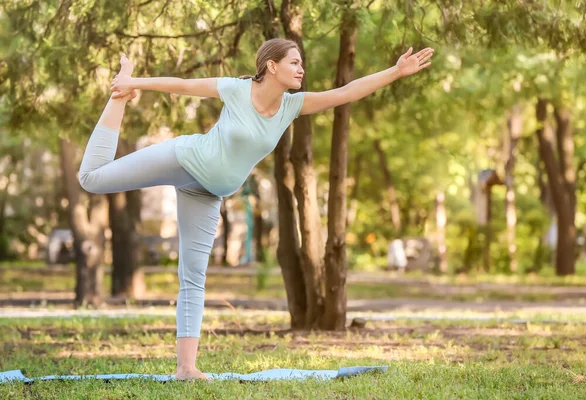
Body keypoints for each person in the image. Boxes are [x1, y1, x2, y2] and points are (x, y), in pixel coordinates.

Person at [79, 38, 434, 380]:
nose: (301, 69)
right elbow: (183, 85)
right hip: (185, 160)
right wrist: (132, 82)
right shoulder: (236, 89)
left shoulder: (292, 106)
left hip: (208, 193)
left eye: (301, 63)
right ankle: (118, 99)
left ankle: (186, 368)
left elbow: (345, 93)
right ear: (272, 65)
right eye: (294, 62)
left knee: (193, 278)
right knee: (92, 180)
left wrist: (395, 72)